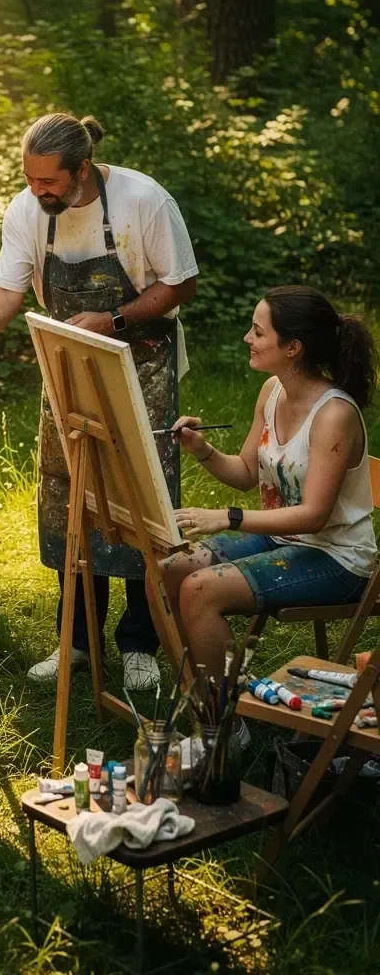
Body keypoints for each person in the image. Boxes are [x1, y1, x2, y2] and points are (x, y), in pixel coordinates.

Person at [0, 113, 198, 692]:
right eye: (30, 180)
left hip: (142, 363)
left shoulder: (142, 200)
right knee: (68, 498)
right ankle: (77, 640)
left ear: (81, 170)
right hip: (68, 370)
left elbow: (181, 283)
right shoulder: (30, 212)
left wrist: (115, 317)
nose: (37, 191)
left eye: (48, 181)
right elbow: (5, 291)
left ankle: (138, 643)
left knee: (139, 500)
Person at [153, 286, 377, 705]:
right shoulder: (273, 391)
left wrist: (228, 517)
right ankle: (205, 696)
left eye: (258, 332)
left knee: (200, 590)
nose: (247, 339)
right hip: (284, 539)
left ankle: (222, 723)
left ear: (293, 347)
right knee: (171, 569)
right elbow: (244, 473)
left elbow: (312, 517)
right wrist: (202, 448)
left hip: (337, 557)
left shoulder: (334, 414)